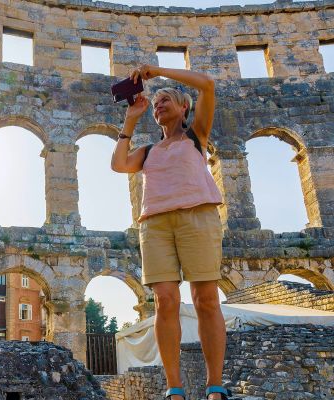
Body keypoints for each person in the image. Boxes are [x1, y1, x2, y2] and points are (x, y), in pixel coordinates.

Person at [110, 64, 231, 400]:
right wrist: (132, 118)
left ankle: (215, 386)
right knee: (165, 301)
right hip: (156, 225)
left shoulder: (196, 137)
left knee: (205, 299)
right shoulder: (148, 152)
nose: (158, 104)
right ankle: (174, 388)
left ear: (184, 107)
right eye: (156, 103)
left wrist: (157, 73)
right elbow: (119, 164)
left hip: (198, 217)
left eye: (166, 100)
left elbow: (207, 83)